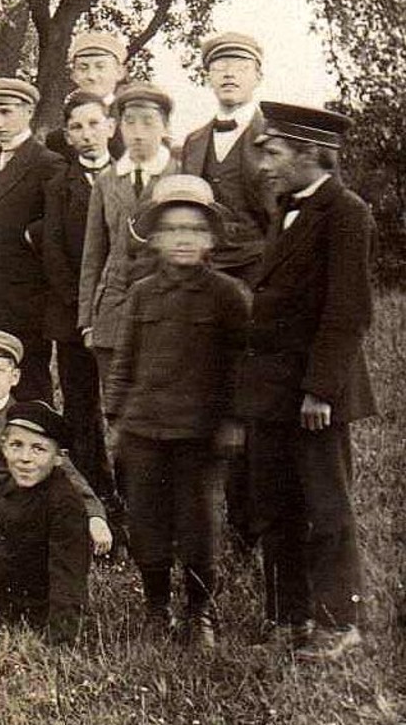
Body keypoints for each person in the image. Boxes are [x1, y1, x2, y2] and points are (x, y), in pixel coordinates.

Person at [238, 102, 374, 662]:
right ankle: (286, 617)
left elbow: (349, 310)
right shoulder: (284, 209)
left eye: (272, 153)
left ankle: (339, 621)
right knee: (276, 506)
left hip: (315, 393)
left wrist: (320, 388)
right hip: (272, 390)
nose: (263, 165)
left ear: (311, 154)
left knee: (325, 505)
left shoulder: (346, 212)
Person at [104, 176, 249, 648]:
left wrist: (231, 421)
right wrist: (115, 417)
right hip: (144, 428)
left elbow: (242, 366)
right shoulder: (143, 293)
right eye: (173, 229)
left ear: (210, 238)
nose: (184, 238)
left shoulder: (228, 295)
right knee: (146, 521)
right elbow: (125, 358)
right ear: (157, 238)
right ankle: (156, 608)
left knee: (199, 524)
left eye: (194, 229)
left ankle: (200, 611)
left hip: (201, 435)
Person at [0, 330, 110, 550]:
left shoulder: (29, 419)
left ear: (15, 377)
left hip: (13, 512)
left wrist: (95, 515)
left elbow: (63, 469)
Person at [40, 89, 117, 531]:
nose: (86, 135)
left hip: (125, 315)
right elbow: (52, 250)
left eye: (93, 124)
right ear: (67, 137)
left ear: (110, 127)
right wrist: (81, 305)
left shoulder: (131, 179)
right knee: (81, 406)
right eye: (76, 128)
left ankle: (131, 495)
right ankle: (94, 501)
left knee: (123, 405)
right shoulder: (58, 186)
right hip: (72, 318)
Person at [0, 77, 65, 402]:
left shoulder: (47, 162)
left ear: (29, 112)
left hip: (23, 298)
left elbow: (57, 225)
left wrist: (29, 235)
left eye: (6, 113)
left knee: (29, 381)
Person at [0, 401, 92, 646]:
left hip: (26, 604)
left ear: (58, 459)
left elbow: (67, 577)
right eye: (16, 446)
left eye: (38, 449)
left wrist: (59, 641)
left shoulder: (64, 505)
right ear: (4, 447)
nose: (24, 459)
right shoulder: (15, 486)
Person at [78, 83, 178, 377]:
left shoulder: (180, 174)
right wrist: (87, 320)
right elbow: (93, 254)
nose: (138, 132)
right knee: (115, 404)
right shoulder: (107, 181)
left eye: (148, 122)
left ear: (165, 127)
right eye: (129, 122)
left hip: (165, 310)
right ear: (118, 126)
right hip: (112, 309)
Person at [177, 32, 274, 280]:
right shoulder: (194, 142)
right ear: (209, 77)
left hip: (262, 264)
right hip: (204, 266)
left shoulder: (275, 138)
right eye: (220, 67)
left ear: (258, 77)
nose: (229, 74)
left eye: (241, 67)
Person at [44, 31, 129, 160]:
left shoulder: (134, 125)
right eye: (83, 68)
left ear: (119, 72)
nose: (91, 76)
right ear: (74, 75)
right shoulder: (57, 140)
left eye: (100, 67)